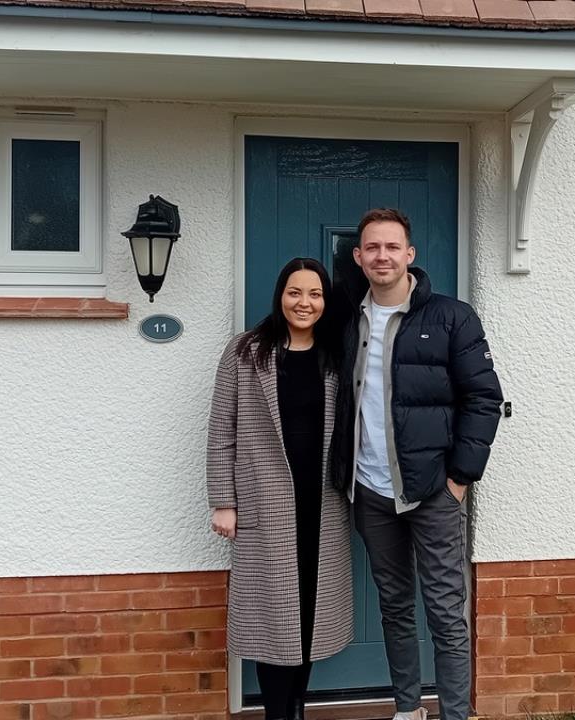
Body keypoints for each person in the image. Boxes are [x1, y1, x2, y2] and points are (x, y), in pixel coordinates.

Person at [336, 208, 503, 720]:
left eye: (392, 247)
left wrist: (459, 479)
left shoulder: (452, 317)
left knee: (447, 612)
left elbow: (484, 399)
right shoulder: (346, 318)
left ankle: (455, 714)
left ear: (409, 255)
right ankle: (408, 708)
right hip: (370, 490)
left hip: (432, 491)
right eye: (372, 247)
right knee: (394, 606)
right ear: (359, 257)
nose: (382, 256)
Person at [207, 258, 353, 720]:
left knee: (310, 610)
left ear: (325, 302)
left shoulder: (338, 352)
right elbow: (221, 430)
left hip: (324, 501)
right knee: (275, 616)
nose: (304, 303)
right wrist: (223, 502)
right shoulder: (246, 351)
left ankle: (298, 708)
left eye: (315, 294)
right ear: (280, 295)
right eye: (295, 292)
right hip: (264, 503)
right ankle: (276, 713)